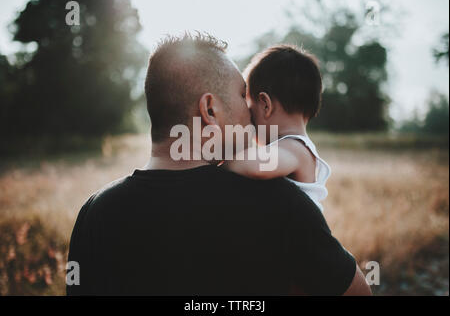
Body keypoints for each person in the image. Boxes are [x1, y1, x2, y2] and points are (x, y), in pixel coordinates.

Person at [66, 32, 371, 296]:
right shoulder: (278, 200)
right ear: (210, 109)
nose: (251, 114)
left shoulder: (94, 213)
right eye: (242, 96)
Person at [224, 45, 330, 212]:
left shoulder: (296, 148)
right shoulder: (294, 147)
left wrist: (219, 160)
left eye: (250, 112)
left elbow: (259, 165)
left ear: (266, 105)